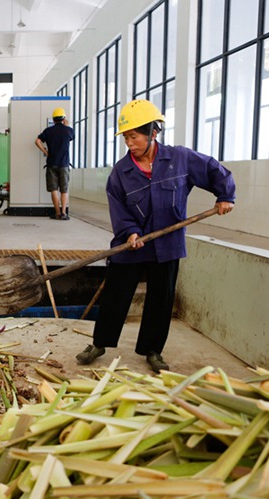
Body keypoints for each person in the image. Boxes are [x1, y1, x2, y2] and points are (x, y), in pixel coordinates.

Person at [75, 99, 236, 373]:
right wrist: (130, 232)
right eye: (126, 137)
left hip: (168, 242)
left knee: (161, 298)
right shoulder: (121, 172)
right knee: (116, 293)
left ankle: (152, 350)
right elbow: (118, 207)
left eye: (134, 136)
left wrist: (225, 196)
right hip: (131, 243)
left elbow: (212, 169)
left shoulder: (179, 159)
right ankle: (100, 343)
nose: (129, 143)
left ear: (153, 132)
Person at [35, 107, 75, 220]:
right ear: (64, 118)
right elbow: (71, 137)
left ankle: (57, 213)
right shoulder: (69, 130)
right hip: (64, 164)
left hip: (52, 163)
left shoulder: (48, 131)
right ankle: (64, 213)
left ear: (53, 119)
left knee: (54, 190)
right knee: (64, 190)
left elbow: (37, 141)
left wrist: (45, 151)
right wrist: (66, 126)